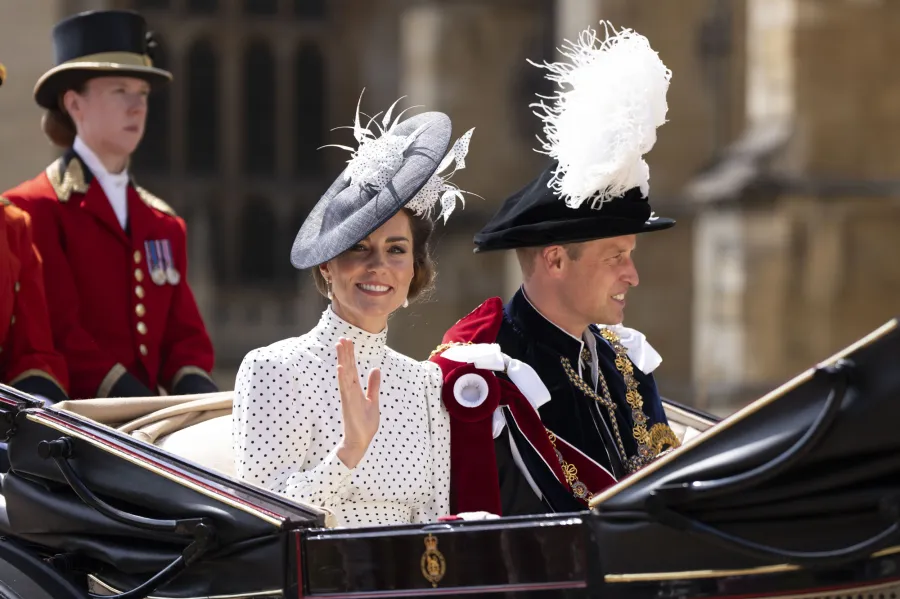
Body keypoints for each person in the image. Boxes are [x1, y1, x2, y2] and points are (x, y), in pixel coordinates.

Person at [430, 22, 681, 516]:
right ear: (555, 259)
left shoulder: (620, 360)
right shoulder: (485, 375)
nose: (632, 276)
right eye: (616, 256)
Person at [232, 95, 476, 527]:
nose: (378, 265)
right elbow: (258, 525)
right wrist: (348, 453)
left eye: (396, 249)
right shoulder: (273, 368)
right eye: (358, 248)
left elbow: (434, 522)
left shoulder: (425, 383)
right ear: (327, 265)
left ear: (413, 267)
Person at [3, 10, 217, 400]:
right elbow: (60, 332)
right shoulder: (33, 209)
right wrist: (139, 403)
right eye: (120, 90)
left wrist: (203, 405)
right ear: (74, 104)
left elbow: (185, 341)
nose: (137, 106)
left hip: (148, 427)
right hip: (78, 426)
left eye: (143, 94)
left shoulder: (164, 225)